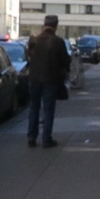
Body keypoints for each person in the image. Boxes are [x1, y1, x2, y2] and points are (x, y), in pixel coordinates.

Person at [26, 14, 71, 148]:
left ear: (44, 24)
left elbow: (29, 56)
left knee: (34, 107)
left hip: (34, 78)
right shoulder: (57, 41)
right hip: (50, 79)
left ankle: (31, 136)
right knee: (48, 109)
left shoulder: (34, 39)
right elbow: (66, 61)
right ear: (56, 26)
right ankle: (47, 139)